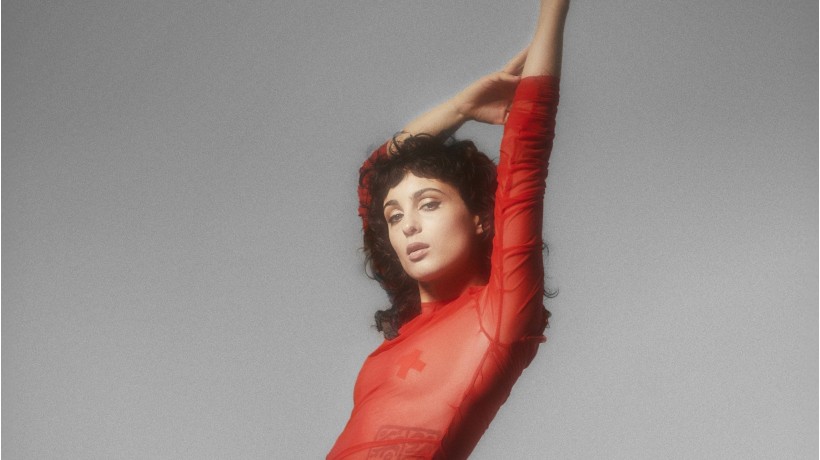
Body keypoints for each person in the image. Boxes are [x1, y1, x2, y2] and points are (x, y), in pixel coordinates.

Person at [328, 1, 569, 458]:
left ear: (481, 217)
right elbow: (373, 177)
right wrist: (461, 107)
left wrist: (552, 10)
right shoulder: (409, 329)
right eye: (395, 217)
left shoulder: (500, 314)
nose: (409, 226)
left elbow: (527, 155)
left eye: (429, 204)